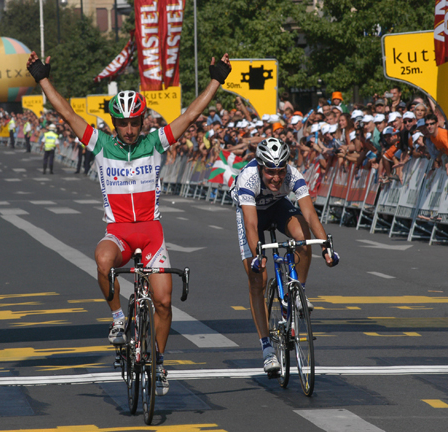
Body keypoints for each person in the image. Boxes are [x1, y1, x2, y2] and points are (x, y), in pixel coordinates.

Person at [26, 49, 232, 396]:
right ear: (114, 123)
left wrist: (216, 80)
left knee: (164, 302)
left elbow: (191, 115)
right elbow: (66, 111)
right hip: (119, 234)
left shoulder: (154, 143)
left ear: (142, 121)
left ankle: (160, 361)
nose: (130, 128)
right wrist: (42, 78)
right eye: (123, 122)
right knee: (102, 259)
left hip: (152, 235)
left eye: (135, 122)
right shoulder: (101, 144)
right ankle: (119, 320)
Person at [231, 137, 340, 376]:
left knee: (302, 235)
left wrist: (325, 247)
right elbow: (250, 224)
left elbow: (310, 214)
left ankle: (298, 291)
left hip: (277, 206)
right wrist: (258, 255)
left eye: (280, 171)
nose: (276, 177)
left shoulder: (293, 174)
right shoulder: (247, 178)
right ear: (260, 166)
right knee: (257, 278)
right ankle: (267, 348)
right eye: (270, 171)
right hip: (251, 214)